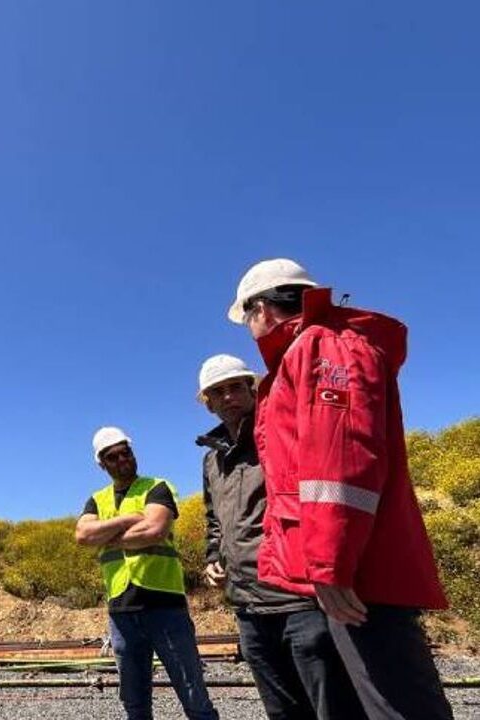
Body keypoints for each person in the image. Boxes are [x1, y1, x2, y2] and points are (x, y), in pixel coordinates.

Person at [229, 258, 452, 720]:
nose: (248, 328)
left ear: (262, 309)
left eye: (246, 316)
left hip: (358, 574)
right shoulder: (312, 350)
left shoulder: (323, 347)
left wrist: (331, 566)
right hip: (348, 569)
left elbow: (341, 458)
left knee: (397, 708)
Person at [195, 354, 365, 720]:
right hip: (248, 608)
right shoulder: (212, 460)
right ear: (207, 403)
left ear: (252, 390)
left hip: (299, 601)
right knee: (282, 712)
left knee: (332, 708)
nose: (229, 397)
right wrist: (214, 556)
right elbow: (214, 519)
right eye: (218, 392)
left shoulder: (281, 430)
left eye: (236, 387)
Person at [76, 426, 218, 720]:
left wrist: (107, 535)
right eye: (112, 457)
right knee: (134, 703)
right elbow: (83, 536)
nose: (121, 459)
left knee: (193, 696)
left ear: (132, 451)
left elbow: (154, 529)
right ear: (102, 464)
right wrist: (129, 519)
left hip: (164, 606)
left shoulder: (157, 487)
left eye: (125, 452)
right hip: (121, 610)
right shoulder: (97, 499)